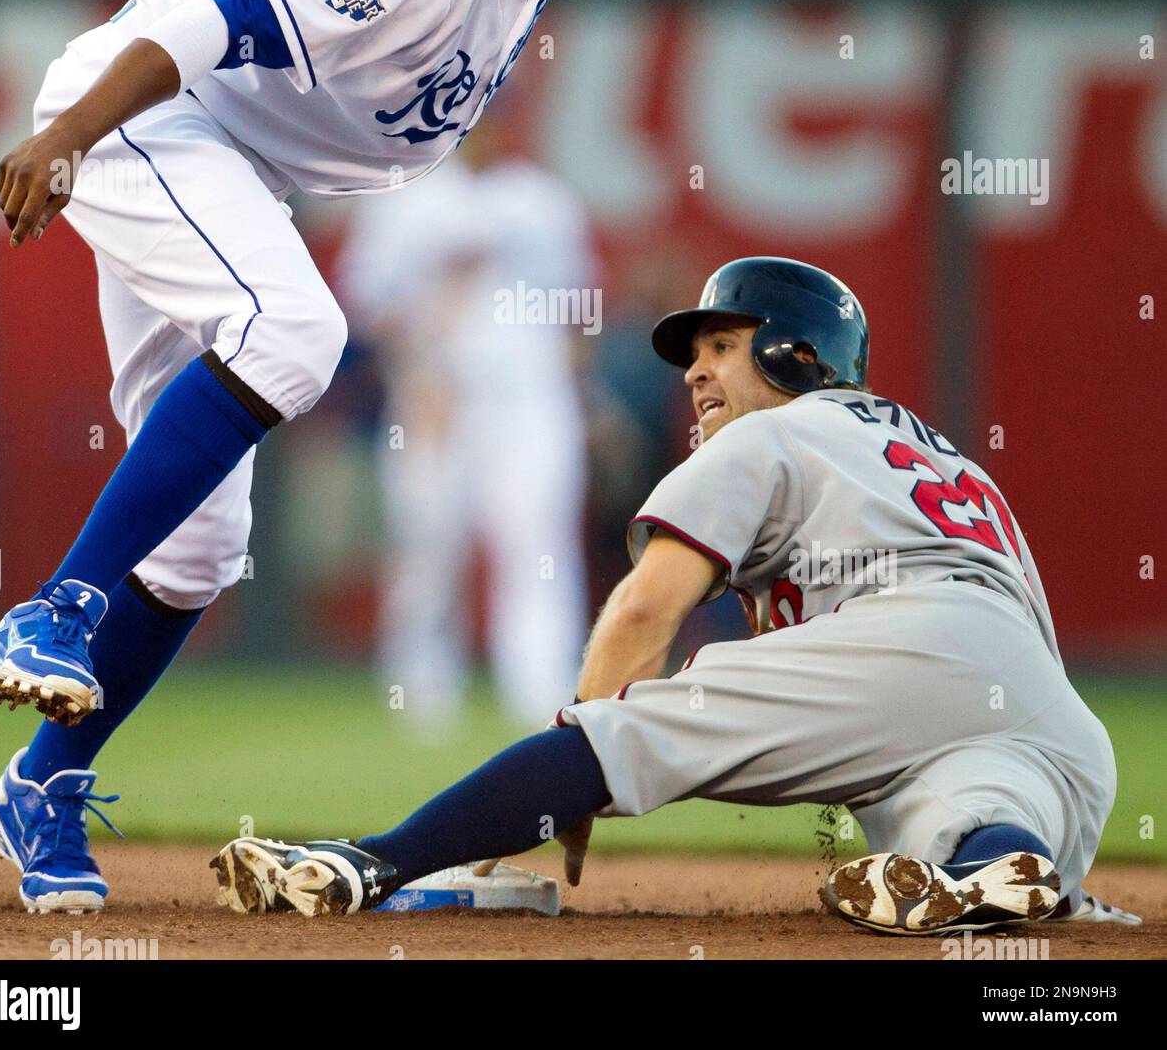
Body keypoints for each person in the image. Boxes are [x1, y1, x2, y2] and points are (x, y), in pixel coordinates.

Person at [0, 0, 744, 914]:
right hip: (149, 124)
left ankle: (45, 780)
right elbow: (206, 19)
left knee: (195, 548)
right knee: (293, 332)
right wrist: (67, 135)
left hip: (223, 165)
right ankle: (59, 608)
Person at [211, 257, 1138, 934]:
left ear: (796, 357)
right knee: (947, 818)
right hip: (1054, 725)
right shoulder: (949, 458)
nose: (694, 371)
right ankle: (1000, 865)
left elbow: (649, 608)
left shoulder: (771, 433)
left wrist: (579, 762)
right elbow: (1013, 643)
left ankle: (369, 860)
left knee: (641, 717)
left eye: (724, 346)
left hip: (907, 639)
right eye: (695, 353)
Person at [339, 123, 594, 731]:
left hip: (530, 401)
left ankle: (543, 694)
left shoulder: (543, 200)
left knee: (538, 546)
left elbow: (578, 310)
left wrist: (581, 396)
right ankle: (422, 696)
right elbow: (368, 305)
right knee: (427, 545)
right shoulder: (404, 197)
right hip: (436, 397)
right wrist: (417, 372)